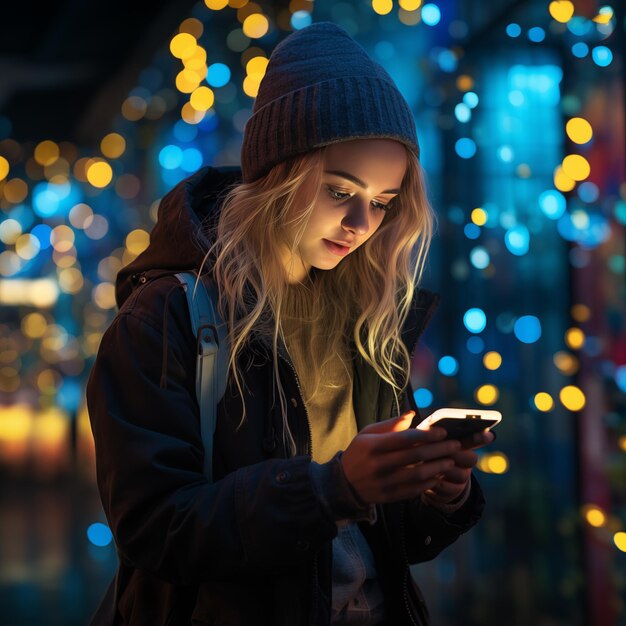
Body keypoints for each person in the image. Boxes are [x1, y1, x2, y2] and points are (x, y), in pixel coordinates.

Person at [86, 21, 494, 626]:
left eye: (383, 202)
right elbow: (153, 530)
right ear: (278, 175)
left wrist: (439, 492)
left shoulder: (368, 316)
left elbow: (391, 544)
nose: (362, 222)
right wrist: (333, 490)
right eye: (339, 190)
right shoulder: (166, 317)